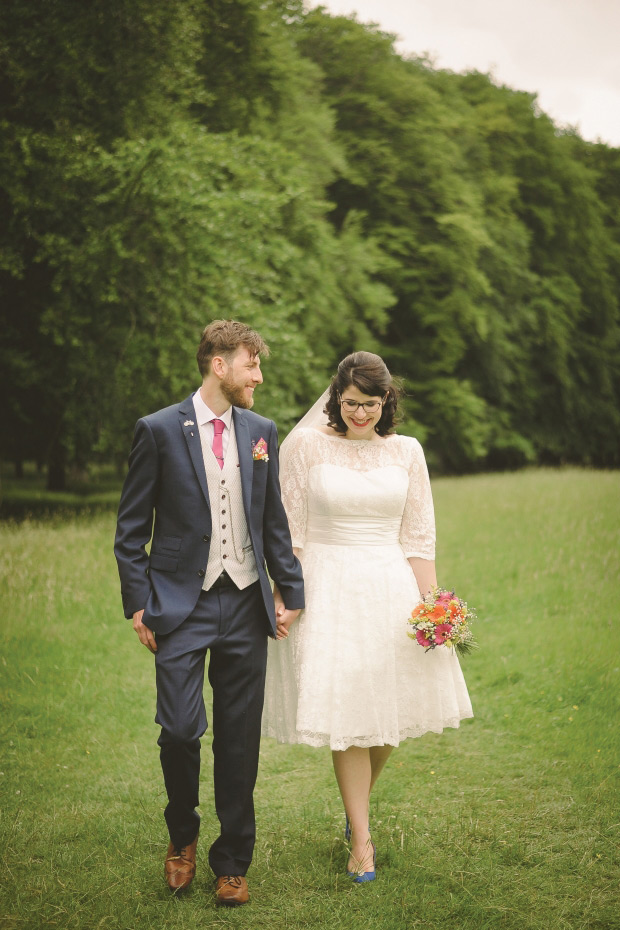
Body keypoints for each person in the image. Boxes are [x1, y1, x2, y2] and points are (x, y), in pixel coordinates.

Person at [262, 351, 473, 882]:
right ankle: (362, 839)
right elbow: (290, 533)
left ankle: (354, 815)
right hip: (328, 585)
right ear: (335, 398)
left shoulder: (406, 452)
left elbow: (418, 535)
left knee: (387, 713)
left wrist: (434, 607)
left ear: (387, 402)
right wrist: (284, 596)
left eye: (371, 404)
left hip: (390, 585)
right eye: (351, 403)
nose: (360, 414)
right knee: (351, 714)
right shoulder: (306, 446)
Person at [114, 320, 304, 906]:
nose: (259, 375)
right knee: (177, 730)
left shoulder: (260, 431)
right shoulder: (158, 430)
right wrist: (139, 604)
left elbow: (272, 521)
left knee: (239, 738)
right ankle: (182, 838)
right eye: (252, 363)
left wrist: (289, 592)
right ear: (218, 365)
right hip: (179, 604)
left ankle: (233, 863)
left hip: (245, 601)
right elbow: (129, 530)